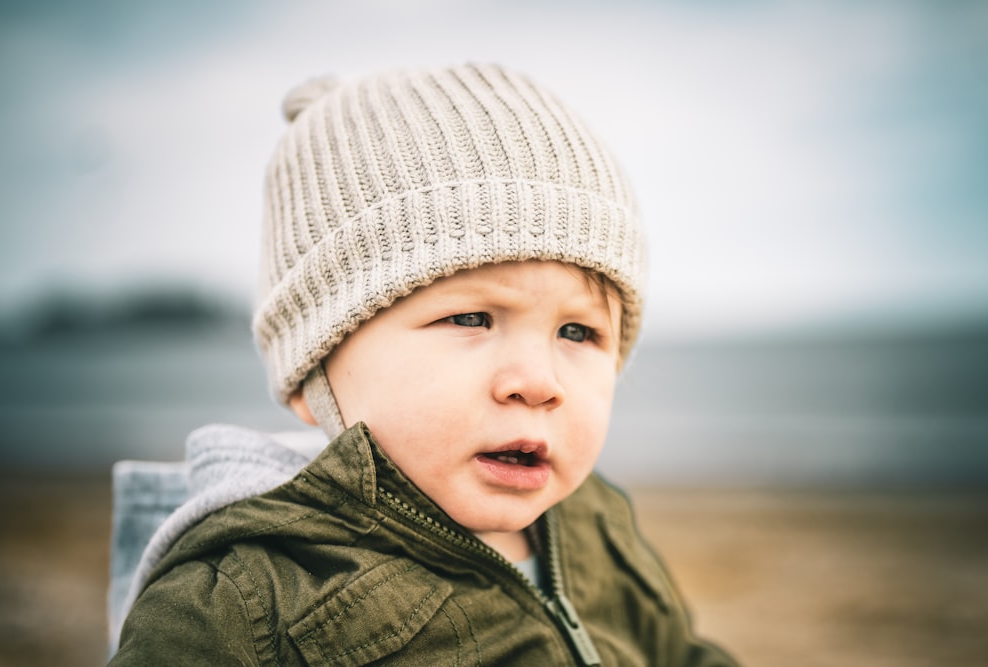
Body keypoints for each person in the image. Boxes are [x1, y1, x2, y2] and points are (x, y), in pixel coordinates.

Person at [110, 63, 740, 666]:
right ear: (313, 372)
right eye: (470, 319)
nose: (539, 383)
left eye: (577, 331)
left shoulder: (594, 523)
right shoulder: (244, 602)